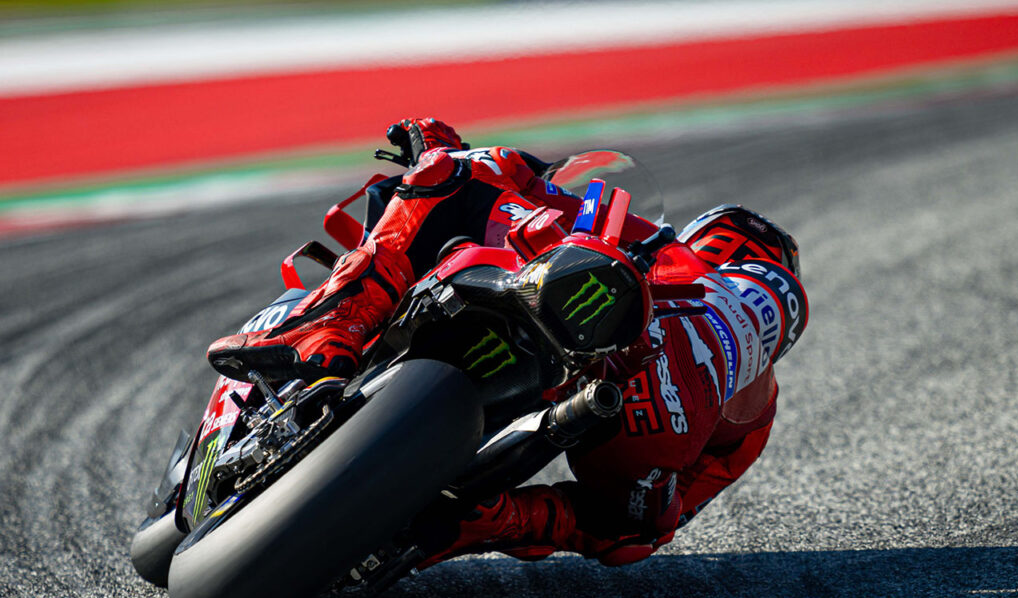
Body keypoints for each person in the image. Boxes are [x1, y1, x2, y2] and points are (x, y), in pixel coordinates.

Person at [207, 118, 808, 567]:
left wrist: (441, 148)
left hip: (611, 344)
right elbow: (651, 526)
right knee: (628, 531)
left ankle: (332, 330)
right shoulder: (757, 408)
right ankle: (479, 519)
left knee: (452, 177)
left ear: (707, 240)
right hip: (649, 427)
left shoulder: (662, 252)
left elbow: (514, 182)